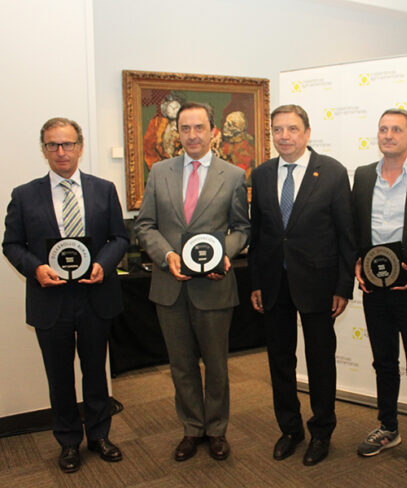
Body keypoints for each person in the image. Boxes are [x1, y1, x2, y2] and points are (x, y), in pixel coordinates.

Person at [3, 117, 128, 473]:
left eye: (68, 144)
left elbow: (119, 237)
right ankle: (69, 441)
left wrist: (103, 264)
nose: (61, 151)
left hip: (95, 296)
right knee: (59, 376)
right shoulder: (24, 195)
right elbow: (11, 244)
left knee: (95, 371)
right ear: (44, 150)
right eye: (53, 145)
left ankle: (100, 435)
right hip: (50, 300)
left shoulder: (104, 189)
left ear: (80, 147)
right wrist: (36, 269)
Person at [134, 102, 250, 462]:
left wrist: (224, 253)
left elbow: (242, 228)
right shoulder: (159, 172)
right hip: (170, 287)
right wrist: (167, 255)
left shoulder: (233, 175)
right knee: (181, 365)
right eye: (185, 128)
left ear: (212, 132)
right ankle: (192, 428)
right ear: (177, 133)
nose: (192, 135)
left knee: (216, 365)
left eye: (199, 127)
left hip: (213, 286)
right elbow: (145, 225)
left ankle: (216, 430)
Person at [248, 104, 355, 466]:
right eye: (277, 130)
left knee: (320, 361)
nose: (284, 136)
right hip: (274, 283)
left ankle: (322, 432)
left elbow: (346, 234)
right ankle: (290, 429)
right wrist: (257, 282)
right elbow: (259, 235)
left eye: (292, 129)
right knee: (280, 360)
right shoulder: (262, 174)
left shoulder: (332, 172)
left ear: (307, 133)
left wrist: (343, 286)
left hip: (319, 283)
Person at [351, 109, 407, 473]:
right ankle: (388, 427)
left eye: (396, 130)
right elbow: (355, 225)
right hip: (374, 284)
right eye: (383, 129)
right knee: (384, 362)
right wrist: (357, 263)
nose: (388, 135)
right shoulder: (362, 175)